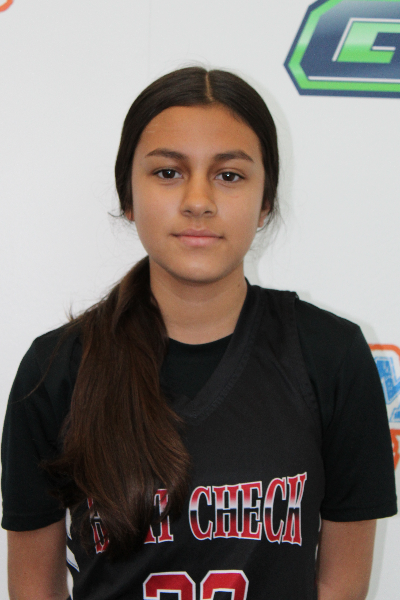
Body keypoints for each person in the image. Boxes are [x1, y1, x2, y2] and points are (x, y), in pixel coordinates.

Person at [1, 66, 397, 600]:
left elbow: (341, 584)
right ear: (127, 195)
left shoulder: (331, 356)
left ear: (265, 202)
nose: (198, 200)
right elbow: (34, 587)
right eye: (168, 172)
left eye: (229, 175)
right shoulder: (55, 371)